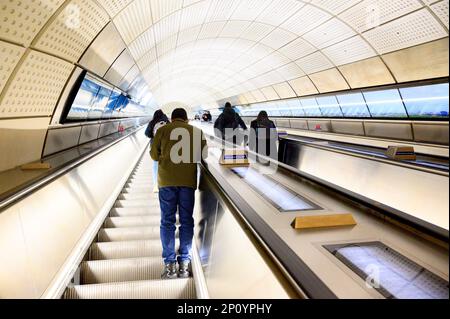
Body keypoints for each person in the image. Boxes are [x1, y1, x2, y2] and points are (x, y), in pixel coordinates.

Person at [150, 108, 208, 280]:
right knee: (186, 221)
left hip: (166, 182)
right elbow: (203, 155)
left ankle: (169, 267)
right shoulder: (196, 132)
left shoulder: (162, 130)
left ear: (172, 118)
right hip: (187, 183)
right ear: (187, 119)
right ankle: (184, 265)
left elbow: (154, 155)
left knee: (167, 222)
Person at [146, 110, 170, 193]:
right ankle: (166, 183)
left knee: (155, 164)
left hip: (155, 146)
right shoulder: (167, 122)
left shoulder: (152, 122)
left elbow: (147, 133)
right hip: (166, 146)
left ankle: (156, 185)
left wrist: (153, 135)